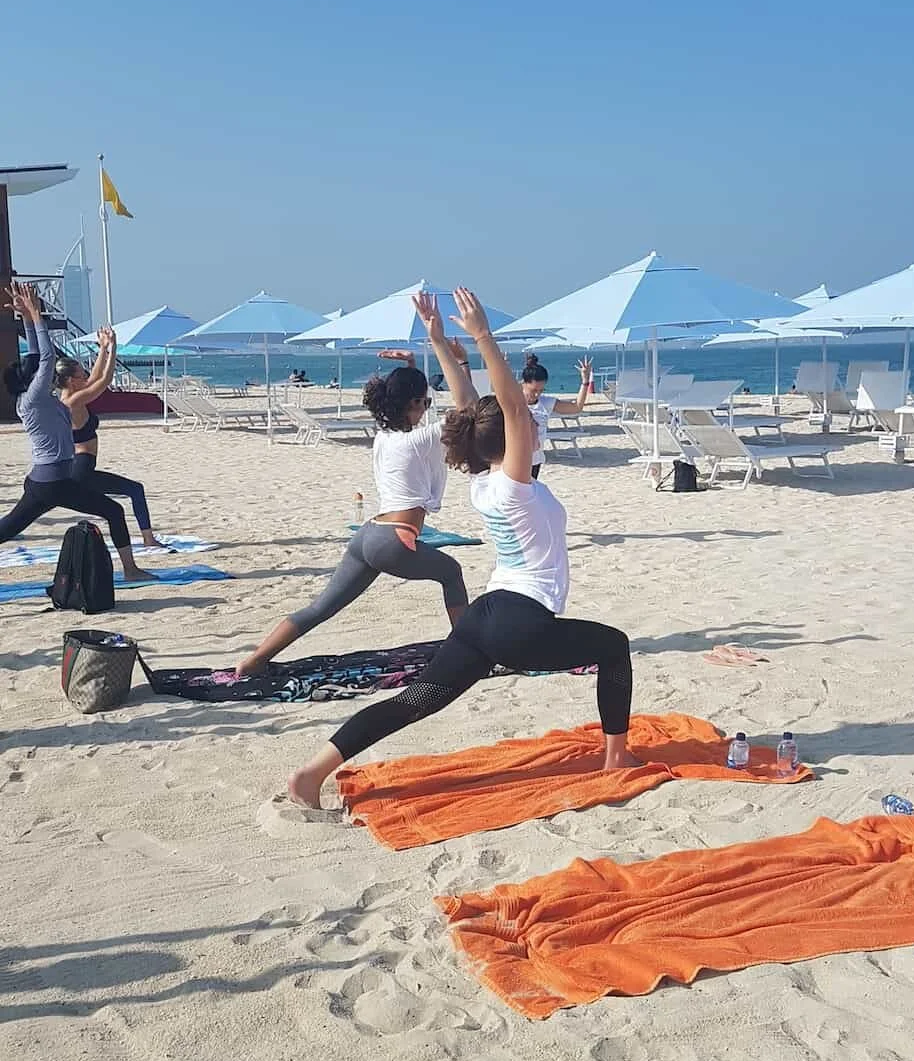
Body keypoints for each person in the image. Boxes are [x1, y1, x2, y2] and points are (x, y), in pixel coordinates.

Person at [287, 288, 638, 808]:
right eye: (523, 427)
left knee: (415, 701)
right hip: (521, 623)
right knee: (614, 647)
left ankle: (310, 775)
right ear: (514, 438)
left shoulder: (482, 478)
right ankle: (616, 757)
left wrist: (437, 341)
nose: (531, 428)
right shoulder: (512, 486)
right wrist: (481, 337)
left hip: (484, 617)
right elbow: (511, 410)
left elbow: (473, 409)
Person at [234, 296, 475, 679]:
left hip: (367, 536)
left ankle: (252, 660)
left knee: (321, 608)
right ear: (414, 403)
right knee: (452, 573)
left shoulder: (385, 436)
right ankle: (469, 652)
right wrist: (444, 347)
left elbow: (414, 405)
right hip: (395, 540)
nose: (428, 407)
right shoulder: (420, 440)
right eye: (425, 401)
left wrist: (412, 367)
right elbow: (468, 406)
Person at [0, 283, 155, 580]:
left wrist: (28, 320)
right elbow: (45, 360)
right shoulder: (34, 399)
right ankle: (132, 570)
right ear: (29, 381)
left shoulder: (34, 396)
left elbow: (35, 357)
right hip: (53, 482)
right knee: (113, 511)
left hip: (43, 482)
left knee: (6, 528)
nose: (40, 373)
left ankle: (132, 569)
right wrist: (37, 314)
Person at [54, 329, 165, 549]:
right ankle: (148, 539)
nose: (85, 377)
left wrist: (102, 349)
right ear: (69, 381)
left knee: (126, 497)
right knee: (134, 491)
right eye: (81, 375)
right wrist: (113, 348)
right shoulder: (72, 402)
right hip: (81, 470)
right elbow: (104, 381)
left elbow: (95, 378)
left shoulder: (72, 395)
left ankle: (147, 538)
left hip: (81, 467)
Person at [520, 352, 592, 477]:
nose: (537, 394)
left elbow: (576, 407)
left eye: (541, 390)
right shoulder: (513, 403)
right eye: (533, 390)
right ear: (523, 384)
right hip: (515, 460)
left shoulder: (545, 403)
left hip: (535, 461)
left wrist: (585, 382)